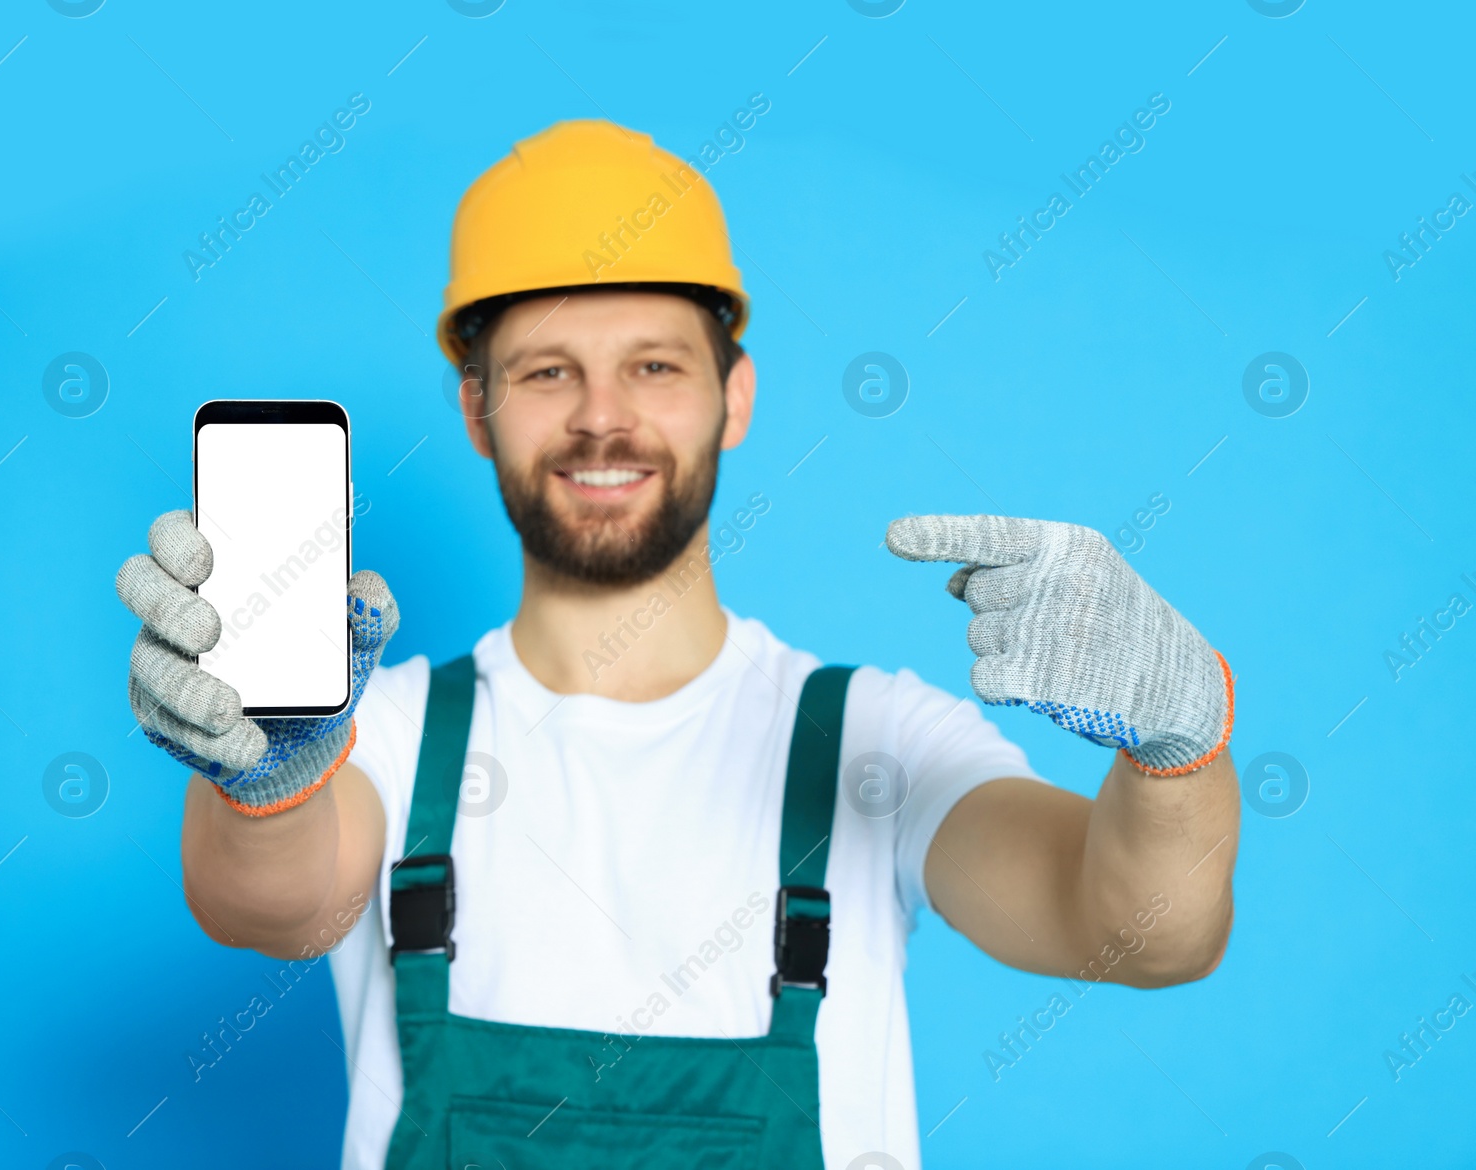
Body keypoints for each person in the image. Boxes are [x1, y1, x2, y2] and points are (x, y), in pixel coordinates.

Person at [116, 119, 1239, 1170]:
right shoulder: (385, 737)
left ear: (732, 396)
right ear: (475, 409)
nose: (603, 416)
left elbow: (1144, 934)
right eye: (547, 371)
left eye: (653, 365)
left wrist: (1178, 746)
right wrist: (268, 782)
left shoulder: (874, 740)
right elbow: (265, 909)